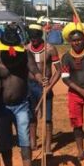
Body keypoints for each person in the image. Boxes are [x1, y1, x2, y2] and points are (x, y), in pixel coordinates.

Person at [0, 24, 47, 166]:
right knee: (5, 142)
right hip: (1, 106)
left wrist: (39, 78)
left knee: (24, 140)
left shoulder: (25, 54)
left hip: (21, 104)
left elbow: (35, 70)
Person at [60, 21, 84, 160]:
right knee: (76, 123)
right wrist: (81, 91)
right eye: (74, 40)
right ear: (70, 42)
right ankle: (80, 150)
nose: (77, 43)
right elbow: (65, 78)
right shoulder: (66, 57)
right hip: (74, 94)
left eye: (80, 40)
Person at [26, 24, 61, 155]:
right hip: (30, 86)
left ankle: (47, 147)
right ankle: (32, 143)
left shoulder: (50, 49)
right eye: (31, 36)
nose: (33, 39)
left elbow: (58, 70)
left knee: (47, 118)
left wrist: (50, 86)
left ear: (40, 36)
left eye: (36, 36)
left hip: (45, 86)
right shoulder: (26, 49)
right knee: (31, 116)